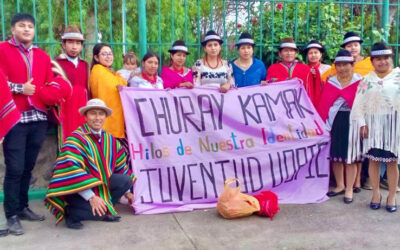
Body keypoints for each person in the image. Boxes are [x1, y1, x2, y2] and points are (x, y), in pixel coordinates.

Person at [0, 13, 71, 235]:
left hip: (38, 119)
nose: (27, 29)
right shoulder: (2, 50)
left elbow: (50, 80)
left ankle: (22, 208)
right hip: (15, 119)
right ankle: (11, 215)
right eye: (21, 26)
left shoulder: (41, 55)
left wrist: (53, 90)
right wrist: (21, 88)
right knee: (14, 168)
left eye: (30, 26)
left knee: (28, 168)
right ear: (12, 29)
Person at [45, 98, 136, 229]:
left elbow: (120, 166)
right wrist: (91, 197)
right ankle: (71, 212)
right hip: (78, 191)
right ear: (86, 116)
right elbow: (70, 171)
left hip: (100, 187)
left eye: (101, 113)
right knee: (97, 213)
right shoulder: (75, 140)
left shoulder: (109, 139)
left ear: (105, 117)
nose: (97, 117)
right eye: (93, 113)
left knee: (125, 180)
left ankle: (103, 208)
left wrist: (128, 193)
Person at [348, 42, 400, 212]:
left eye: (385, 58)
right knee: (374, 161)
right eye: (378, 59)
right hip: (373, 128)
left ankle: (392, 196)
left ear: (391, 59)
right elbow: (359, 104)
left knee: (392, 162)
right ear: (372, 61)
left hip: (393, 128)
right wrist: (362, 124)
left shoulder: (398, 78)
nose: (382, 62)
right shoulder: (367, 80)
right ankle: (376, 194)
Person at [317, 50, 362, 203]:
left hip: (353, 120)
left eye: (346, 65)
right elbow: (325, 104)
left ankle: (349, 188)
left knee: (350, 156)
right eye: (339, 65)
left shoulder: (360, 81)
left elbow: (364, 104)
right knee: (336, 155)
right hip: (336, 121)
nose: (342, 68)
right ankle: (340, 185)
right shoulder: (331, 82)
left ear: (352, 65)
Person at [55, 25, 90, 145]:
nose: (74, 47)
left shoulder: (86, 65)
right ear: (64, 45)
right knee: (67, 144)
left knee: (84, 143)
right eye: (70, 42)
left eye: (78, 43)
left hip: (83, 111)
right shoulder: (56, 65)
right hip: (65, 112)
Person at [266, 37, 320, 106]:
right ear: (280, 54)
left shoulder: (305, 69)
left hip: (301, 107)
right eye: (286, 50)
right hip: (280, 106)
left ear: (295, 53)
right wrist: (288, 80)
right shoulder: (272, 68)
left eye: (292, 51)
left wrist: (315, 76)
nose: (289, 53)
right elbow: (269, 86)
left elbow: (313, 91)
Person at [89, 43, 127, 139]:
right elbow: (113, 87)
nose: (108, 57)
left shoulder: (109, 72)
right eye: (104, 54)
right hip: (107, 120)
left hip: (116, 118)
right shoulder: (98, 71)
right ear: (96, 57)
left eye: (110, 54)